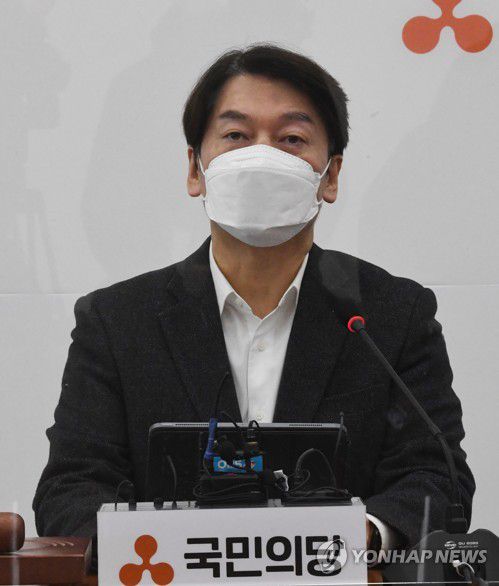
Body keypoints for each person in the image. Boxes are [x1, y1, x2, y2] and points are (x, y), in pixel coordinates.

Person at [33, 43, 475, 569]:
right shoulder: (117, 321)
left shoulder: (390, 315)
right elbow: (71, 487)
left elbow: (435, 477)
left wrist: (358, 539)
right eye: (237, 136)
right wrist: (169, 548)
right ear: (195, 169)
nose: (262, 157)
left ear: (331, 176)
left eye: (291, 139)